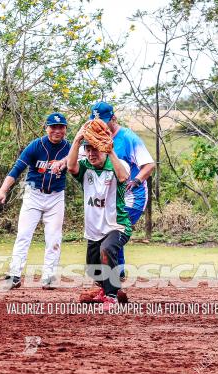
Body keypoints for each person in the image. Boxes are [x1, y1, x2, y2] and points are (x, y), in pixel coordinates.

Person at [0, 113, 71, 290]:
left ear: (65, 129)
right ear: (46, 128)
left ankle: (49, 277)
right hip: (33, 195)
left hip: (56, 196)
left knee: (54, 238)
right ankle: (15, 276)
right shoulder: (36, 145)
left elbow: (79, 165)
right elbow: (17, 169)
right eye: (53, 127)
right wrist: (3, 191)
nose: (57, 130)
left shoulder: (70, 148)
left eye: (61, 127)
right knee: (23, 235)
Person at [64, 122, 132, 309]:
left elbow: (124, 177)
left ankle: (111, 297)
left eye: (96, 149)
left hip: (117, 225)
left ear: (104, 148)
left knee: (107, 249)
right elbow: (70, 167)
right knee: (92, 266)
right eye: (88, 149)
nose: (91, 153)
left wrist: (110, 151)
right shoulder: (85, 166)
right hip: (94, 228)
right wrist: (78, 139)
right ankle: (107, 289)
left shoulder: (117, 164)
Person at [88, 101, 155, 273]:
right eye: (96, 121)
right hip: (110, 197)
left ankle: (117, 274)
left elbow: (148, 165)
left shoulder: (127, 137)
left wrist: (136, 181)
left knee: (114, 229)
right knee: (111, 232)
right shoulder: (95, 138)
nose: (100, 125)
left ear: (113, 118)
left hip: (132, 196)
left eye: (103, 120)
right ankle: (118, 273)